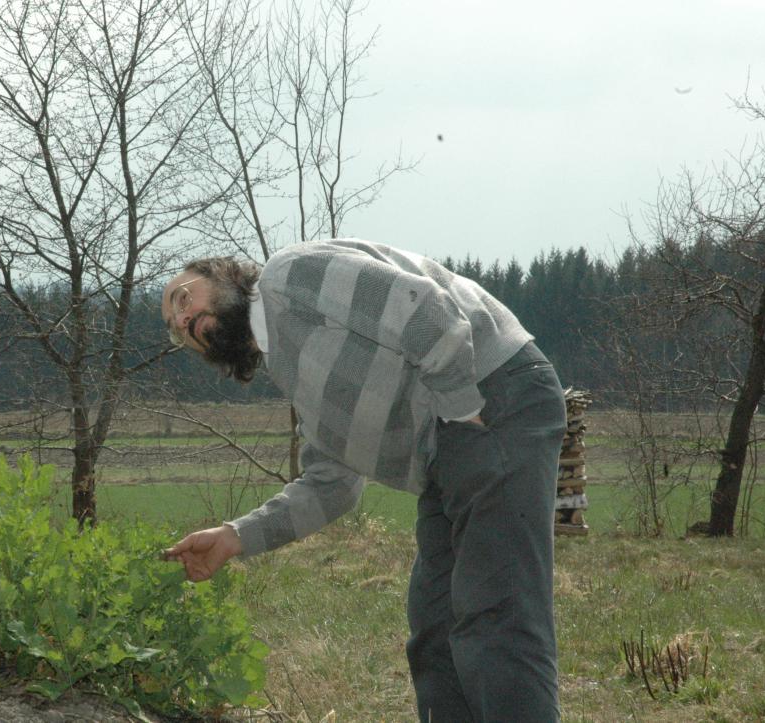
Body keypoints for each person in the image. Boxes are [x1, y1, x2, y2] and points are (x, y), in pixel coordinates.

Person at [161, 239, 566, 722]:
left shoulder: (287, 277)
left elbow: (422, 308)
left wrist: (463, 408)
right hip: (450, 448)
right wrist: (234, 537)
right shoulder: (287, 362)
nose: (185, 321)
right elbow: (332, 482)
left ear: (222, 273)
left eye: (183, 298)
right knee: (435, 630)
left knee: (496, 614)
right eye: (176, 329)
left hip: (493, 393)